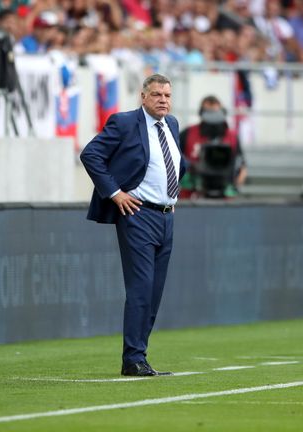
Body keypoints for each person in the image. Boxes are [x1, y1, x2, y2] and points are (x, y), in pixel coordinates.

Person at [80, 73, 187, 377]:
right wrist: (115, 193)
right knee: (141, 288)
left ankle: (140, 356)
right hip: (138, 213)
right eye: (156, 95)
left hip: (167, 215)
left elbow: (174, 164)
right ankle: (133, 359)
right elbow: (91, 154)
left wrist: (172, 195)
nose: (163, 100)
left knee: (154, 292)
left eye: (167, 95)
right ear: (143, 97)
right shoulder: (125, 123)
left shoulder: (173, 125)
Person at [178, 95, 247, 198]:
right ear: (201, 113)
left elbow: (241, 166)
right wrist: (185, 177)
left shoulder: (232, 136)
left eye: (215, 112)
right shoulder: (188, 133)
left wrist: (235, 185)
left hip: (225, 195)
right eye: (208, 112)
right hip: (192, 195)